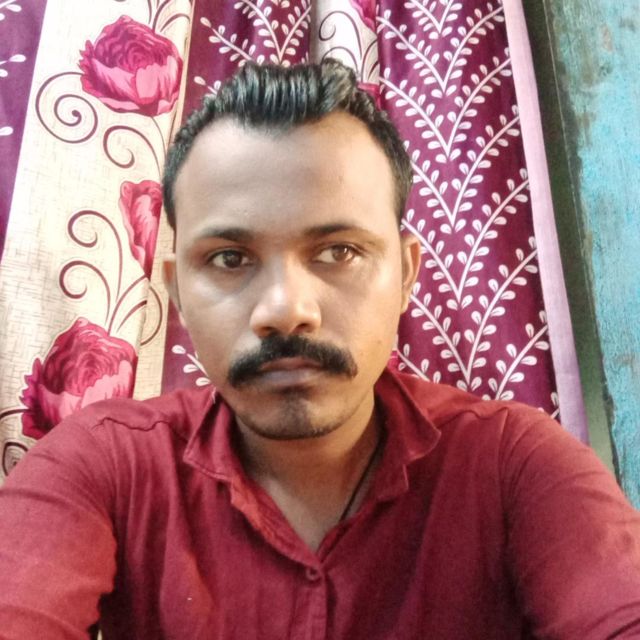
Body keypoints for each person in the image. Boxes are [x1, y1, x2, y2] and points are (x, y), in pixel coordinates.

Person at [0, 59, 639, 640]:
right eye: (229, 258)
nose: (286, 310)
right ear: (177, 294)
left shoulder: (514, 465)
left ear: (406, 276)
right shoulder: (105, 466)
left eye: (339, 251)